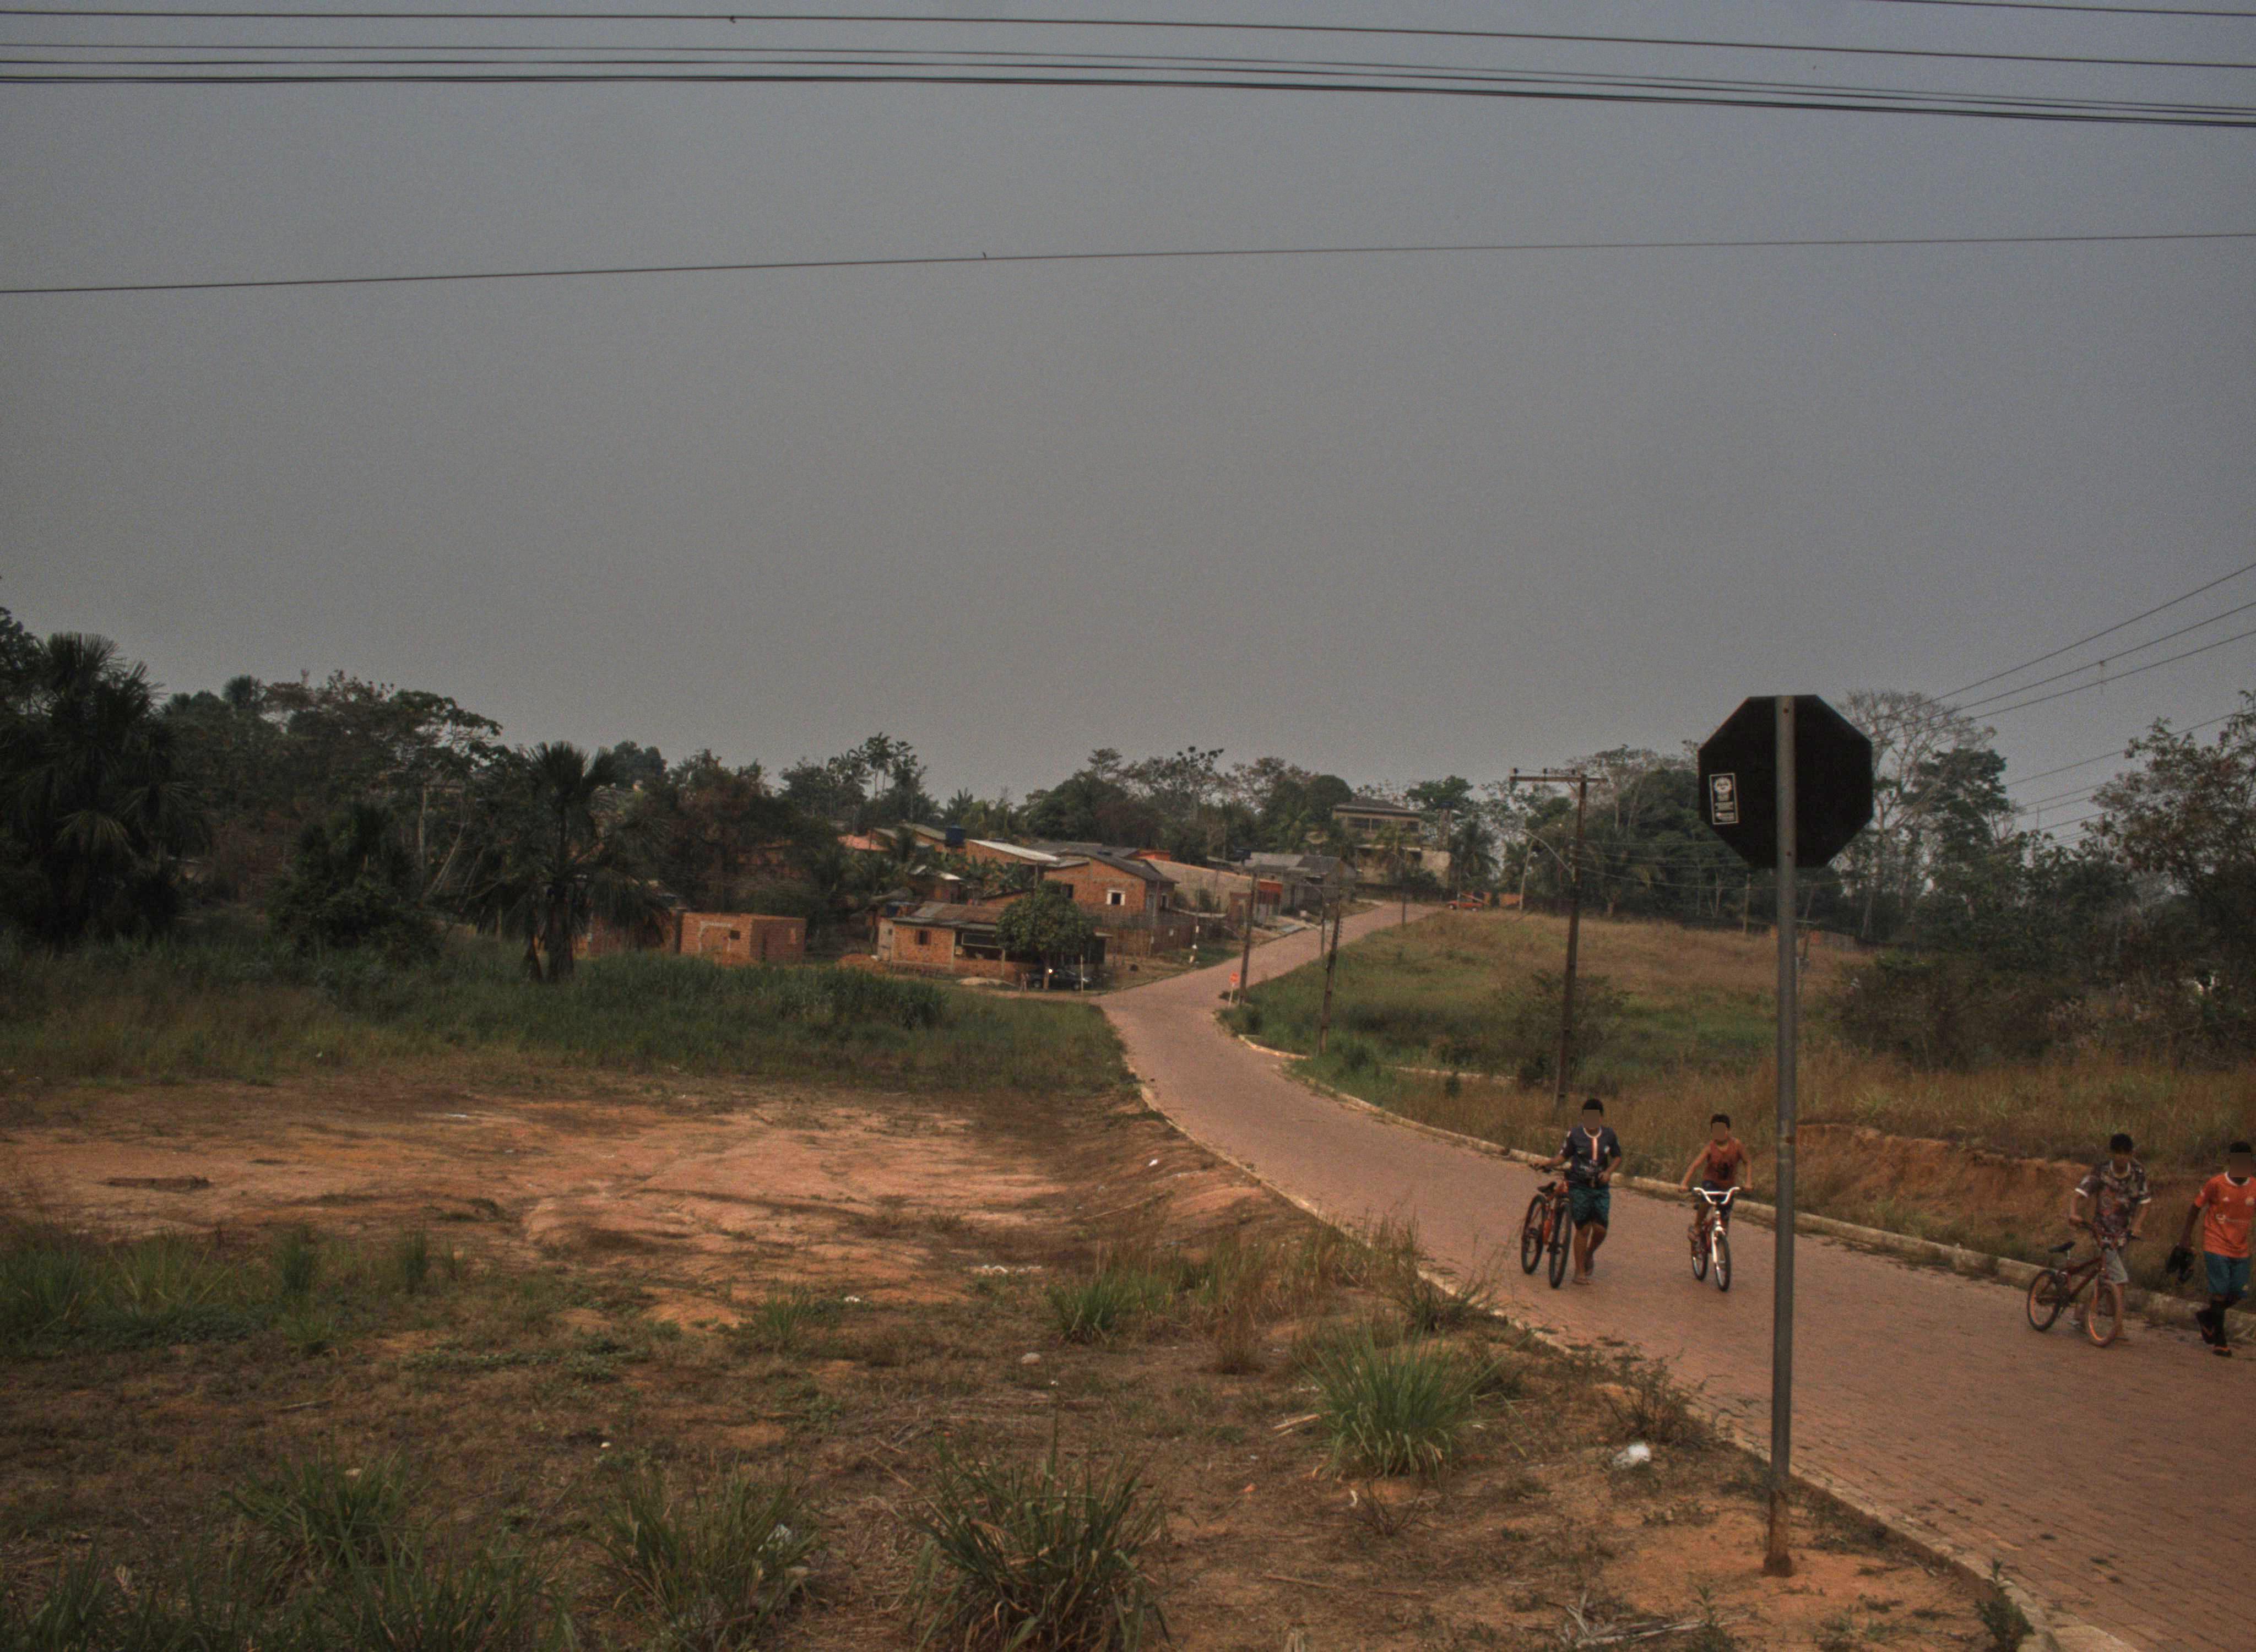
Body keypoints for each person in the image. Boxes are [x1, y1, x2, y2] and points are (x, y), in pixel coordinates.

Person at [2170, 1139, 2254, 1358]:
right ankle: (2220, 1342)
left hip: (2241, 1248)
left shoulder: (2254, 1186)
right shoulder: (2216, 1184)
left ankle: (2207, 1317)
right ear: (2230, 1161)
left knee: (2238, 1293)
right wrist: (2186, 1238)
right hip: (2215, 1243)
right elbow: (2195, 1208)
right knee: (2220, 1293)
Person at [2068, 1132, 2150, 1341]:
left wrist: (2137, 1226)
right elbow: (2079, 1194)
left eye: (2126, 1153)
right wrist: (2073, 1213)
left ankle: (2081, 1315)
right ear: (2112, 1153)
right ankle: (2118, 1327)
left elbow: (2145, 1203)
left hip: (2123, 1234)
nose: (2122, 1157)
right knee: (2119, 1279)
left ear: (2132, 1154)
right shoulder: (2102, 1170)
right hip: (2101, 1232)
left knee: (2105, 1277)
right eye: (2118, 1153)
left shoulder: (2138, 1173)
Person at [1541, 1097, 1622, 1285]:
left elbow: (1617, 1157)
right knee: (1583, 1228)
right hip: (1579, 1185)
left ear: (1601, 1118)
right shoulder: (1575, 1134)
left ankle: (1589, 1253)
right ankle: (1579, 1272)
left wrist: (1609, 1172)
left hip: (1600, 1188)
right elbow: (1563, 1157)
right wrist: (1548, 1163)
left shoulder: (1609, 1135)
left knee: (1601, 1229)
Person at [1679, 1112, 1753, 1254]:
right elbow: (1695, 1165)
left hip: (1728, 1186)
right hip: (1711, 1183)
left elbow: (1747, 1162)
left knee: (1724, 1221)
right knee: (1707, 1200)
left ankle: (1720, 1247)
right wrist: (1684, 1183)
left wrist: (1749, 1182)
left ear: (1728, 1130)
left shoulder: (1737, 1145)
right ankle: (1697, 1226)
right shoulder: (1710, 1147)